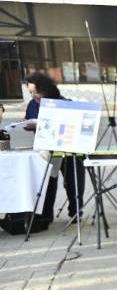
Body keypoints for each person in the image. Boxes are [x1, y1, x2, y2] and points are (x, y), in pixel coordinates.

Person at [23, 72, 85, 219]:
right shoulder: (32, 104)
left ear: (45, 89)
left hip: (68, 148)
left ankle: (76, 211)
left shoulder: (63, 102)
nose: (34, 95)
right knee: (48, 182)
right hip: (46, 149)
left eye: (36, 91)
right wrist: (28, 124)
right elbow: (28, 120)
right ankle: (46, 215)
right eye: (31, 92)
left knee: (73, 180)